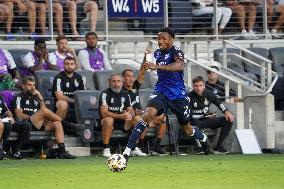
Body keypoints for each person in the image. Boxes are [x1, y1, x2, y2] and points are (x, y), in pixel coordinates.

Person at [122, 27, 210, 162]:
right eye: (159, 38)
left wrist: (156, 66)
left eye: (164, 38)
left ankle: (202, 137)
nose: (160, 41)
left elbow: (179, 66)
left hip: (178, 96)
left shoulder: (176, 51)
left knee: (187, 130)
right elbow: (144, 69)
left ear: (171, 40)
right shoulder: (157, 53)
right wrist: (145, 61)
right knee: (147, 115)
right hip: (161, 92)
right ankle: (126, 153)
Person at [12, 76, 76, 159]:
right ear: (23, 86)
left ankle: (62, 151)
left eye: (34, 85)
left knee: (57, 123)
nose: (32, 87)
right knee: (43, 111)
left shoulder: (36, 98)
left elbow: (44, 112)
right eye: (29, 85)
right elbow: (19, 115)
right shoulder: (18, 98)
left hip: (39, 124)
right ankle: (69, 125)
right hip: (26, 124)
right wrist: (37, 117)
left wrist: (41, 98)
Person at [122, 67, 167, 155]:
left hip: (140, 115)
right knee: (142, 119)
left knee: (163, 118)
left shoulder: (134, 87)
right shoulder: (121, 91)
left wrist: (146, 57)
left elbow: (142, 73)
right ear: (123, 78)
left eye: (132, 76)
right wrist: (135, 113)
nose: (131, 79)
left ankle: (156, 146)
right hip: (128, 119)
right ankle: (140, 146)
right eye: (128, 76)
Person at [99, 73, 144, 158]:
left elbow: (130, 110)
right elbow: (103, 113)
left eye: (118, 81)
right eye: (114, 81)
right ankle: (106, 148)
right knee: (108, 120)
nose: (116, 84)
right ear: (109, 82)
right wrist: (120, 116)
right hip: (108, 122)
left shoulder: (126, 94)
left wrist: (131, 114)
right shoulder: (105, 93)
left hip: (123, 122)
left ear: (122, 82)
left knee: (138, 119)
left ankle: (134, 148)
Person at [188, 76, 234, 154]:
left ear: (204, 86)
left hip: (206, 120)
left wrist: (226, 112)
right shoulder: (189, 97)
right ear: (193, 87)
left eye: (200, 85)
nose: (198, 88)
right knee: (195, 123)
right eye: (196, 86)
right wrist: (204, 115)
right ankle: (200, 148)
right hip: (194, 121)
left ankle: (218, 147)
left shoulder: (209, 94)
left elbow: (219, 103)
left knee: (228, 120)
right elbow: (189, 115)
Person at [52, 56, 85, 135]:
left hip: (75, 104)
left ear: (75, 65)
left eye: (72, 64)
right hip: (59, 103)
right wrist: (74, 101)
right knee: (63, 104)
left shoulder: (79, 77)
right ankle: (57, 130)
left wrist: (77, 101)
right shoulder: (59, 77)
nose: (69, 66)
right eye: (67, 64)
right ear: (63, 65)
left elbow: (82, 94)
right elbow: (59, 96)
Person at [0, 94, 32, 160]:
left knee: (26, 126)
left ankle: (15, 150)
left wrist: (10, 116)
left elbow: (7, 111)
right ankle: (2, 150)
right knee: (7, 125)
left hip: (4, 120)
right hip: (2, 122)